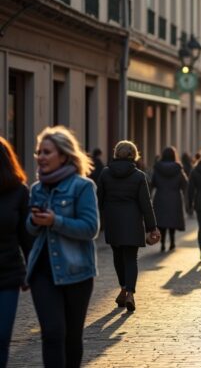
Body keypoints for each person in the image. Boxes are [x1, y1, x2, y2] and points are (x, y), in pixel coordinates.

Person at [25, 126, 99, 367]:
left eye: (47, 152)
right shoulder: (36, 188)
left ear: (64, 155)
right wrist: (35, 221)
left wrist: (56, 221)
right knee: (52, 334)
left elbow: (90, 228)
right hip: (42, 273)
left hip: (76, 272)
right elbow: (30, 228)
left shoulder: (82, 186)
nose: (41, 157)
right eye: (39, 153)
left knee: (71, 337)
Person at [97, 140, 158, 312]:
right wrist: (152, 227)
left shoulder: (105, 174)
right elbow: (146, 204)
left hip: (113, 221)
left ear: (116, 154)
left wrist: (100, 219)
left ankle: (124, 287)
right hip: (132, 223)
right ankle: (129, 292)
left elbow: (99, 199)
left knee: (118, 257)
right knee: (131, 258)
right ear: (134, 155)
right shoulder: (139, 176)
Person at [0, 137, 32, 367]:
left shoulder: (18, 192)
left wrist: (32, 270)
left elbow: (26, 236)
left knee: (2, 337)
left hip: (8, 274)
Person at [151, 146, 188, 252]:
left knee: (162, 222)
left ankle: (162, 243)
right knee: (172, 221)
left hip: (160, 197)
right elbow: (184, 183)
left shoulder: (157, 168)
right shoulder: (178, 168)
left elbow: (152, 183)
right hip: (174, 198)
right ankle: (172, 242)